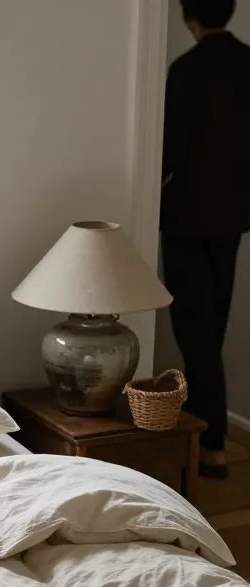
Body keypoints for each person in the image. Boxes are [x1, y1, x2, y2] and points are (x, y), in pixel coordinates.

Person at [161, 0, 250, 479]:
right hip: (232, 219)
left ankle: (211, 446)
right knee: (211, 328)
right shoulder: (246, 64)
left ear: (187, 16)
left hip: (186, 220)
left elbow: (168, 149)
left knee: (195, 335)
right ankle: (209, 440)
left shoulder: (187, 70)